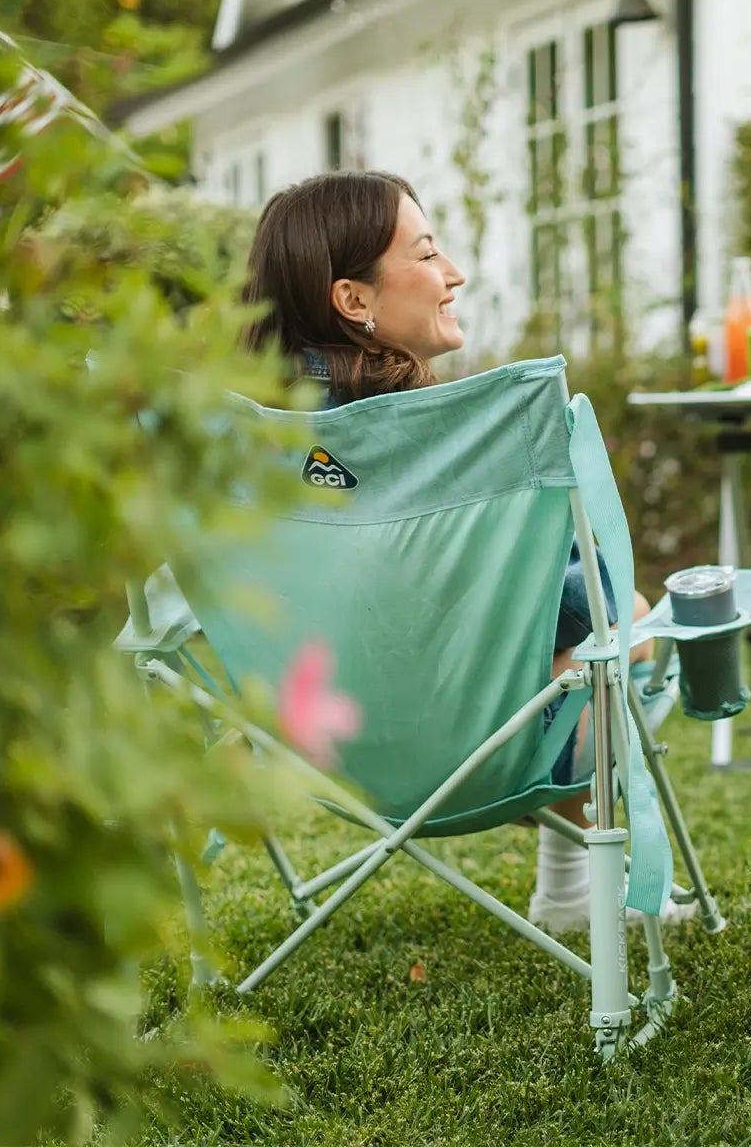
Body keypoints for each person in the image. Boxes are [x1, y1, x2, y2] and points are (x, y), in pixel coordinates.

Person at [243, 170, 675, 932]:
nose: (454, 274)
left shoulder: (247, 447)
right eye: (428, 253)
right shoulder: (436, 446)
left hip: (328, 755)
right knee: (624, 620)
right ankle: (574, 882)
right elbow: (565, 600)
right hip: (473, 757)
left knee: (597, 617)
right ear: (355, 301)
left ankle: (571, 885)